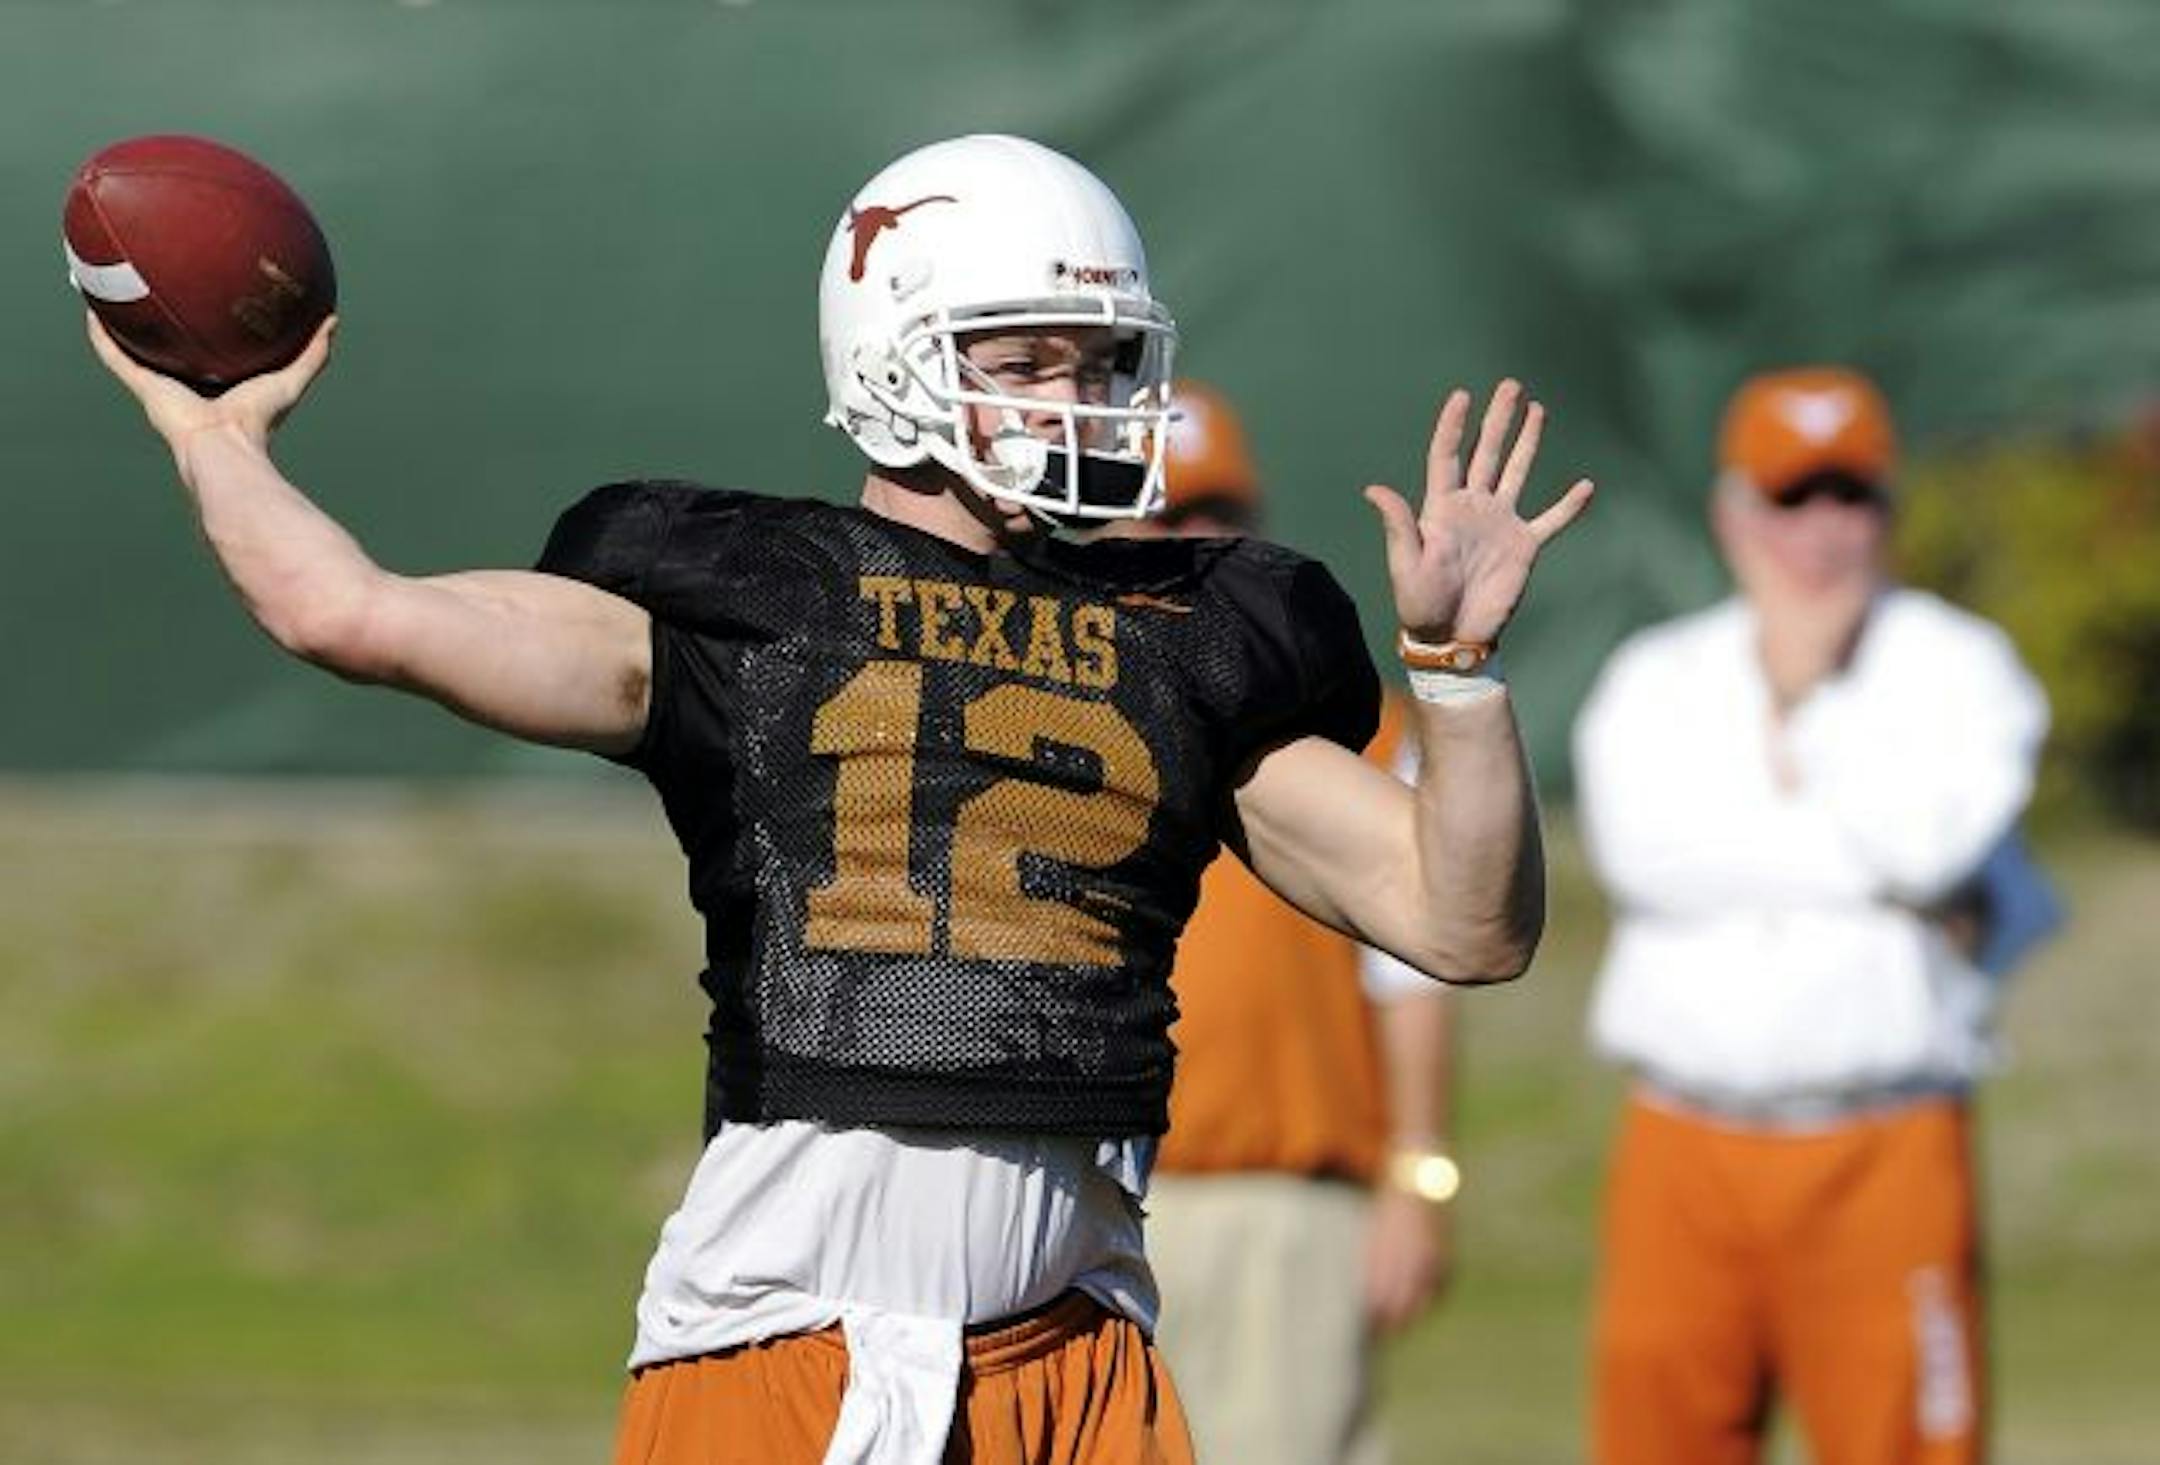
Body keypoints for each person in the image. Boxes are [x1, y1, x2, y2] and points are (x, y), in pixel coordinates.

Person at [84, 133, 1593, 1465]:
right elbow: (351, 614)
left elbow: (1462, 920)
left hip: (1078, 1352)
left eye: (1099, 358)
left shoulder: (1190, 638)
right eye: (1027, 357)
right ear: (895, 351)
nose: (1079, 398)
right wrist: (216, 441)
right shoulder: (745, 607)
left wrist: (1456, 670)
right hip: (799, 1337)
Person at [1571, 365, 2051, 1465]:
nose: (1824, 531)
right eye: (1794, 498)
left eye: (1851, 496)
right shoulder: (1659, 676)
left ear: (1891, 509)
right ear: (1734, 513)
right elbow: (1648, 858)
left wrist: (1809, 699)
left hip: (1886, 1142)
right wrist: (1877, 877)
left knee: (1908, 1440)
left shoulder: (1962, 666)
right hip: (1684, 1141)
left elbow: (1934, 841)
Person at [1116, 381, 1457, 1465]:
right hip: (1106, 1186)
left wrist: (1417, 1179)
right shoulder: (1056, 722)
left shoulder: (1349, 731)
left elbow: (1414, 980)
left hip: (1289, 1200)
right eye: (1164, 513)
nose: (1190, 539)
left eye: (1216, 514)